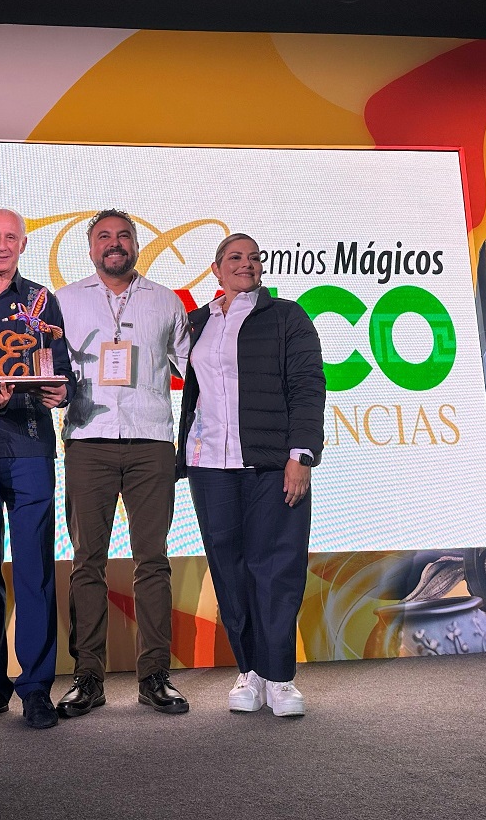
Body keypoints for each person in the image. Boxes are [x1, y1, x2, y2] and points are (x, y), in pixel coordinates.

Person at [175, 234, 325, 716]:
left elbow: (308, 386)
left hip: (272, 464)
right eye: (235, 258)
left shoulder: (287, 317)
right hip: (208, 466)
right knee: (230, 569)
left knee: (277, 568)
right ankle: (250, 671)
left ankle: (279, 676)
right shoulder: (196, 322)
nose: (247, 264)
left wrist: (301, 455)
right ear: (215, 269)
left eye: (254, 258)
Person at [55, 208, 192, 717]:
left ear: (136, 244)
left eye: (124, 236)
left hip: (151, 442)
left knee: (152, 560)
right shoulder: (63, 301)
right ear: (91, 248)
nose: (114, 243)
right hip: (87, 441)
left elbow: (197, 369)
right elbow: (49, 368)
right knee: (87, 561)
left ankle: (154, 675)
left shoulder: (166, 301)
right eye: (104, 237)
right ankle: (87, 677)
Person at [0, 208, 75, 730]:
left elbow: (61, 368)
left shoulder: (43, 300)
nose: (2, 245)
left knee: (34, 569)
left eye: (11, 237)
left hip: (29, 444)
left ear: (23, 244)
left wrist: (60, 391)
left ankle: (36, 688)